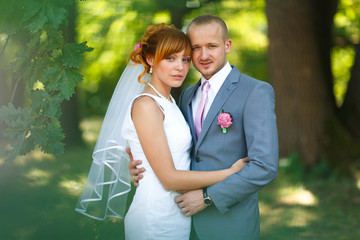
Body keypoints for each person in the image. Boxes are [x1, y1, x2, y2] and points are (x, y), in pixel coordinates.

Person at [76, 23, 248, 240]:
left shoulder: (171, 102)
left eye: (185, 59)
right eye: (170, 58)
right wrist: (230, 173)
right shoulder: (146, 105)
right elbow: (169, 179)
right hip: (154, 218)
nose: (180, 67)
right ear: (150, 59)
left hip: (177, 213)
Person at [128, 15, 279, 240]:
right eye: (196, 48)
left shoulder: (255, 91)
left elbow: (264, 166)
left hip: (230, 223)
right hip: (182, 220)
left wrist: (208, 197)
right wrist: (141, 165)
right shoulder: (188, 94)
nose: (204, 55)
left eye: (212, 46)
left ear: (227, 46)